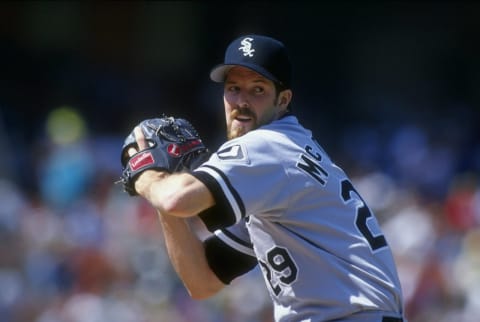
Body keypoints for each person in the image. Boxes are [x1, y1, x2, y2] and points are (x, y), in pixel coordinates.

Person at [127, 34, 406, 322]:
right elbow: (203, 280)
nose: (241, 101)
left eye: (257, 89)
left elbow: (177, 199)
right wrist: (165, 182)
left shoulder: (267, 144)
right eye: (233, 88)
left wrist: (148, 175)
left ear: (283, 100)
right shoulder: (282, 160)